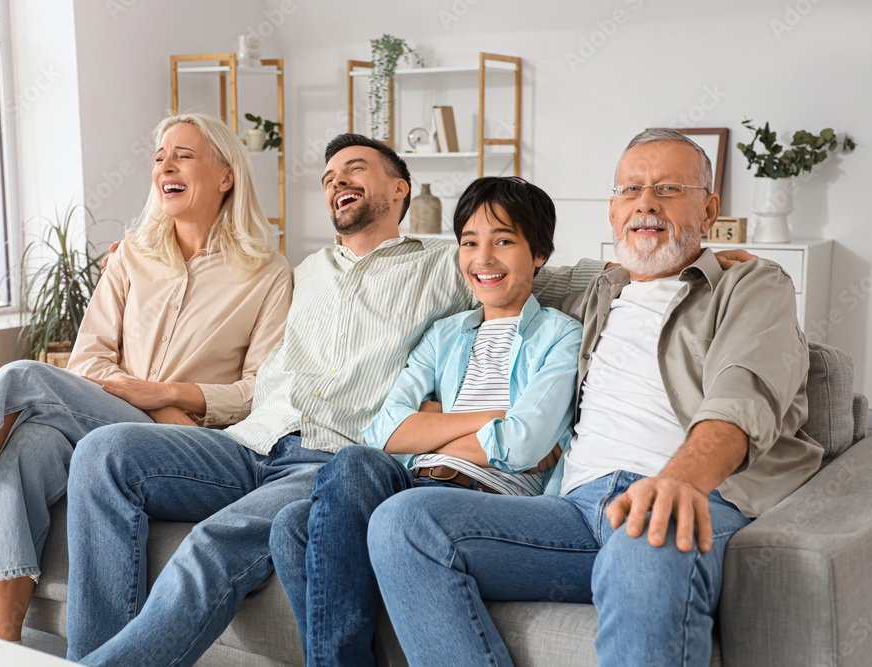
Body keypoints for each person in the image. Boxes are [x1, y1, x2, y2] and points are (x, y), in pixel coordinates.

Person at [63, 135, 607, 666]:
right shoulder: (304, 272)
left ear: (399, 189)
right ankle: (83, 657)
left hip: (329, 459)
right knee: (104, 453)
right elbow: (234, 320)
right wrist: (138, 258)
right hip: (250, 440)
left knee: (210, 546)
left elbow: (531, 277)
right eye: (328, 178)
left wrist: (645, 274)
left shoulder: (445, 264)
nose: (336, 181)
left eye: (354, 170)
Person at [367, 128, 824, 666]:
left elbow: (742, 399)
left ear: (709, 211)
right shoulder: (595, 293)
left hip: (684, 497)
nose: (646, 204)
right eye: (630, 191)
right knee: (403, 522)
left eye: (669, 189)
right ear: (612, 211)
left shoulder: (749, 285)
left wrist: (677, 483)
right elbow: (503, 269)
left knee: (649, 532)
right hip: (571, 512)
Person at [0, 112, 291, 642]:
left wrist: (164, 394)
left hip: (191, 447)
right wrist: (144, 400)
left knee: (19, 375)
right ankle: (6, 645)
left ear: (226, 175)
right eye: (159, 157)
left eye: (183, 155)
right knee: (19, 453)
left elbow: (259, 393)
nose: (164, 166)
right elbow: (88, 361)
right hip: (117, 420)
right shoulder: (132, 259)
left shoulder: (268, 273)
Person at [268, 176, 583, 666]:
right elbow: (383, 431)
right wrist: (494, 417)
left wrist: (434, 425)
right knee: (303, 513)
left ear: (538, 253)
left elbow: (523, 448)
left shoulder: (561, 336)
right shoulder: (445, 335)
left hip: (494, 497)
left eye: (504, 241)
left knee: (304, 523)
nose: (484, 259)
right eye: (470, 243)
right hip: (418, 481)